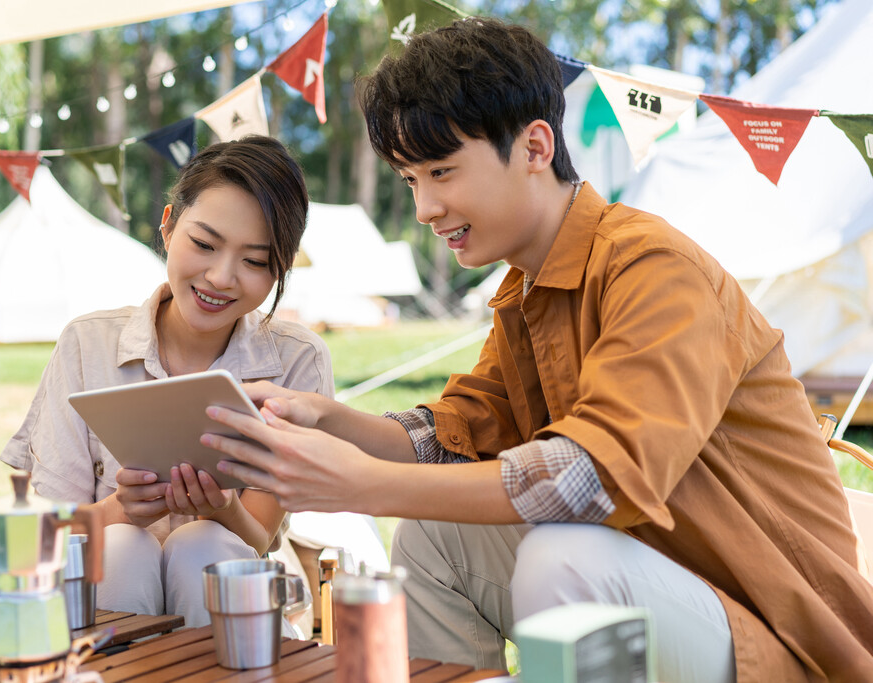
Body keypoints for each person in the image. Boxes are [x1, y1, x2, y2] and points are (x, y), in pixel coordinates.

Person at [199, 17, 873, 683]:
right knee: (432, 537)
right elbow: (456, 433)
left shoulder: (653, 266)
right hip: (658, 579)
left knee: (563, 555)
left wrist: (360, 484)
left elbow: (589, 480)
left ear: (535, 147)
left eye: (442, 170)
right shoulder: (529, 287)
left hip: (784, 635)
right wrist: (324, 418)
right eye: (410, 180)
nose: (426, 206)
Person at [0, 135, 334, 628]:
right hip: (104, 597)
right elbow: (50, 536)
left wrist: (221, 509)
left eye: (256, 261)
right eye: (204, 244)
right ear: (167, 227)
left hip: (232, 600)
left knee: (204, 542)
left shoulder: (297, 360)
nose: (221, 277)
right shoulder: (86, 346)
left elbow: (258, 537)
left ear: (279, 268)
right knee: (119, 546)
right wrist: (119, 508)